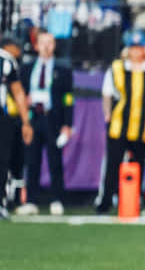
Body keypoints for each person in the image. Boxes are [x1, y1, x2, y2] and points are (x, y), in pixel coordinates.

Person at [16, 31, 73, 216]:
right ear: (36, 46)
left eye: (50, 43)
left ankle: (57, 199)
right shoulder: (26, 68)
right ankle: (31, 200)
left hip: (52, 118)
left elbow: (68, 99)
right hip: (33, 118)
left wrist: (67, 124)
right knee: (32, 160)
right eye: (43, 43)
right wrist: (26, 101)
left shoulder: (63, 70)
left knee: (54, 159)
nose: (47, 47)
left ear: (54, 45)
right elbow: (18, 93)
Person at [95, 31, 145, 214]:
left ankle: (135, 200)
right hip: (120, 123)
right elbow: (107, 93)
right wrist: (107, 114)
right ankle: (105, 201)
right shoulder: (118, 67)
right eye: (133, 48)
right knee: (113, 164)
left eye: (139, 48)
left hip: (143, 125)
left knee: (139, 164)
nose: (136, 52)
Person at [0, 36, 31, 220]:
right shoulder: (7, 60)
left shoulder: (7, 61)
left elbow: (18, 92)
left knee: (2, 160)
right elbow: (18, 92)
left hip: (2, 117)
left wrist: (26, 122)